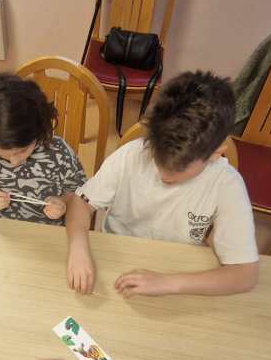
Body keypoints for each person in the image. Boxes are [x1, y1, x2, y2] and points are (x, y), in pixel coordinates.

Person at [65, 71, 259, 297]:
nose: (164, 174)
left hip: (179, 269)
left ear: (216, 154)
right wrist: (78, 249)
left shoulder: (227, 184)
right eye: (158, 160)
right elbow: (81, 202)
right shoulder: (130, 155)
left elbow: (245, 275)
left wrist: (168, 283)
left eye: (180, 169)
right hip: (117, 254)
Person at [0, 74, 87, 226]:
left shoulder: (59, 152)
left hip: (48, 230)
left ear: (38, 129)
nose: (14, 162)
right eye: (1, 156)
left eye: (22, 151)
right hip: (1, 228)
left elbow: (79, 193)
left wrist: (63, 202)